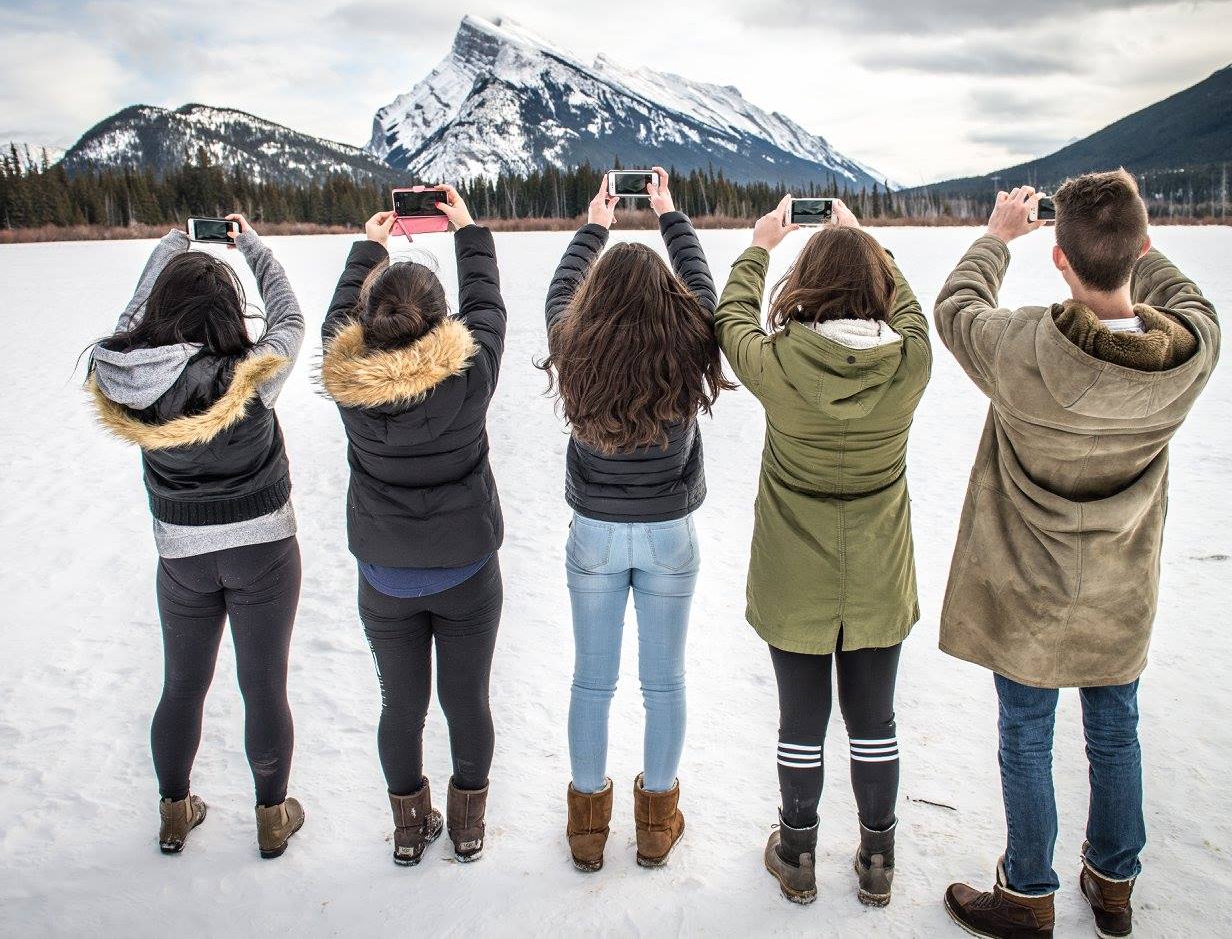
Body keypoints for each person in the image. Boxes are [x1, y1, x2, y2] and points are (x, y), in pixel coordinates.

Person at [937, 173, 1221, 939]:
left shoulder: (1022, 348)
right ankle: (1114, 885)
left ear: (1058, 256)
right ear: (1144, 247)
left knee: (1027, 736)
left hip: (1027, 593)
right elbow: (1187, 298)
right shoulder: (1189, 354)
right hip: (1121, 592)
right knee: (1116, 731)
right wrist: (1132, 246)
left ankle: (1028, 896)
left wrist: (998, 236)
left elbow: (956, 307)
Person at [714, 196, 932, 908]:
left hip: (793, 575)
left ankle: (798, 852)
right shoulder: (910, 364)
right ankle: (877, 858)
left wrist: (759, 246)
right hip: (878, 573)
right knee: (875, 723)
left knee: (800, 723)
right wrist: (868, 244)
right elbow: (910, 312)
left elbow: (731, 319)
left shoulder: (779, 364)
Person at [85, 214, 306, 859]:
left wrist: (172, 244)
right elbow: (289, 314)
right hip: (263, 551)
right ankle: (272, 817)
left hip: (182, 556)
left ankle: (174, 812)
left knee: (182, 685)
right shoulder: (253, 374)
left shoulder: (132, 379)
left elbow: (133, 315)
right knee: (264, 686)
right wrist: (251, 246)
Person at [541, 168, 730, 872]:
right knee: (664, 683)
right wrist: (669, 214)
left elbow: (561, 289)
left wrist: (595, 224)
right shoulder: (691, 339)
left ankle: (587, 829)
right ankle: (655, 825)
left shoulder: (573, 343)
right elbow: (701, 285)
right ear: (667, 300)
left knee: (592, 682)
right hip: (668, 535)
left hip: (593, 532)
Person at [319, 186, 505, 867]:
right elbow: (487, 308)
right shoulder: (471, 374)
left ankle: (408, 827)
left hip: (385, 575)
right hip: (466, 570)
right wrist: (468, 231)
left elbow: (335, 323)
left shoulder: (346, 381)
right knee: (467, 701)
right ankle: (468, 826)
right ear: (441, 320)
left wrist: (368, 248)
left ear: (367, 325)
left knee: (400, 705)